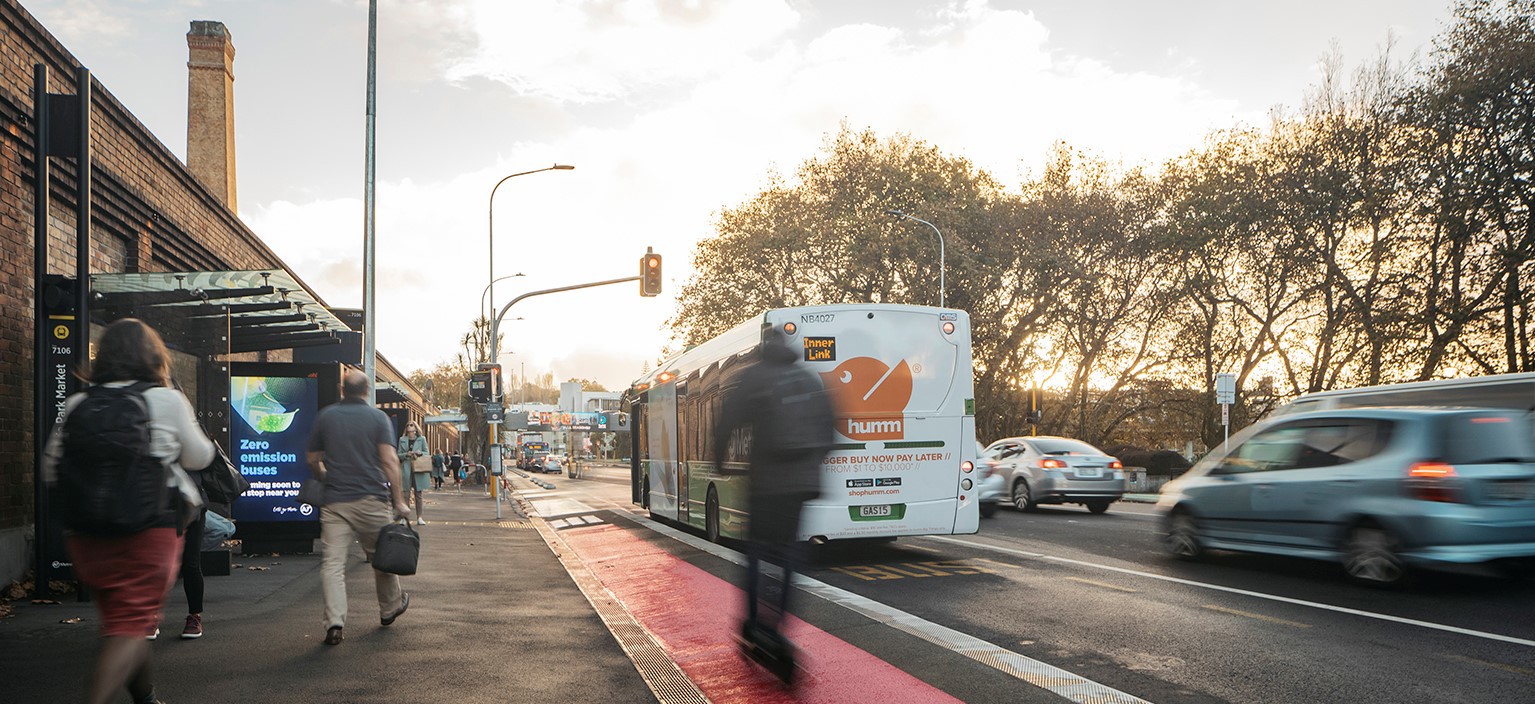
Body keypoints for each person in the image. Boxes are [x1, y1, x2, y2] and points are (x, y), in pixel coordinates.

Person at [43, 318, 215, 704]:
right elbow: (201, 456)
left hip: (87, 535)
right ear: (153, 356)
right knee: (129, 624)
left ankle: (146, 697)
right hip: (148, 532)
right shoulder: (167, 399)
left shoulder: (78, 403)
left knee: (124, 622)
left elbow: (50, 467)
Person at [711, 327, 834, 684]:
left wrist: (720, 462)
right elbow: (830, 430)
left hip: (766, 486)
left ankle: (753, 625)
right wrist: (811, 467)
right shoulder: (809, 378)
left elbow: (726, 422)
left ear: (765, 348)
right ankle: (778, 627)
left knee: (755, 552)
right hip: (801, 488)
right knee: (789, 555)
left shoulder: (755, 375)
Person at [306, 369, 414, 646]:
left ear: (342, 389)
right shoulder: (378, 418)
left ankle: (335, 623)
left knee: (332, 564)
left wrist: (324, 477)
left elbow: (312, 459)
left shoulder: (326, 416)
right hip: (371, 500)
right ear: (366, 391)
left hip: (335, 503)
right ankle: (389, 608)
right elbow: (390, 461)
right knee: (382, 556)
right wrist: (399, 501)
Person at [397, 423, 430, 525]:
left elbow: (427, 452)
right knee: (406, 494)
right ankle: (404, 518)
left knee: (418, 494)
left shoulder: (422, 439)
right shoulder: (402, 439)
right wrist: (406, 454)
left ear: (416, 428)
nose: (410, 426)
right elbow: (398, 454)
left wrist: (420, 453)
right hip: (406, 468)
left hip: (418, 467)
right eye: (408, 425)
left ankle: (419, 517)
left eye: (412, 425)